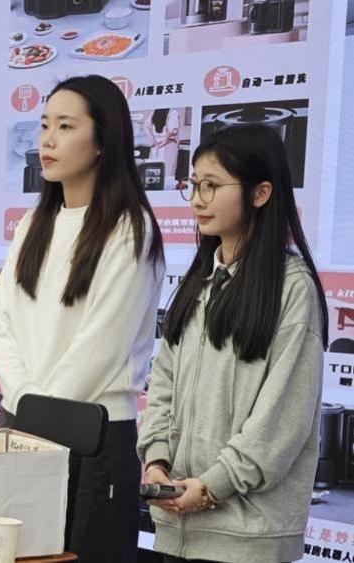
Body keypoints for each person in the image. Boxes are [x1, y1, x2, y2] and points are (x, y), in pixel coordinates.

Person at [0, 75, 165, 562]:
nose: (47, 140)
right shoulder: (33, 224)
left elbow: (100, 347)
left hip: (94, 438)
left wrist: (34, 414)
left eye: (65, 127)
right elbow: (3, 321)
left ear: (104, 140)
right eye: (45, 125)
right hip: (24, 432)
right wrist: (23, 404)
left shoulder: (130, 229)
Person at [138, 124, 327, 563]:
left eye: (212, 185)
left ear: (261, 193)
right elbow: (162, 383)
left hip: (248, 538)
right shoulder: (200, 282)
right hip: (178, 527)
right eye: (193, 185)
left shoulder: (291, 288)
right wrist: (157, 461)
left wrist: (212, 486)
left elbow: (282, 421)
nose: (197, 199)